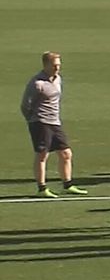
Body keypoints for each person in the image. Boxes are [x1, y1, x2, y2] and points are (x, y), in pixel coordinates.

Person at [21, 52, 87, 198]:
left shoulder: (58, 79)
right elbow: (25, 106)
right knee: (42, 155)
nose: (57, 68)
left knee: (66, 153)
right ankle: (42, 188)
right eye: (54, 65)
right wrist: (33, 121)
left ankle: (67, 185)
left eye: (58, 65)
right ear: (45, 65)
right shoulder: (37, 83)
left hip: (55, 122)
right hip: (40, 122)